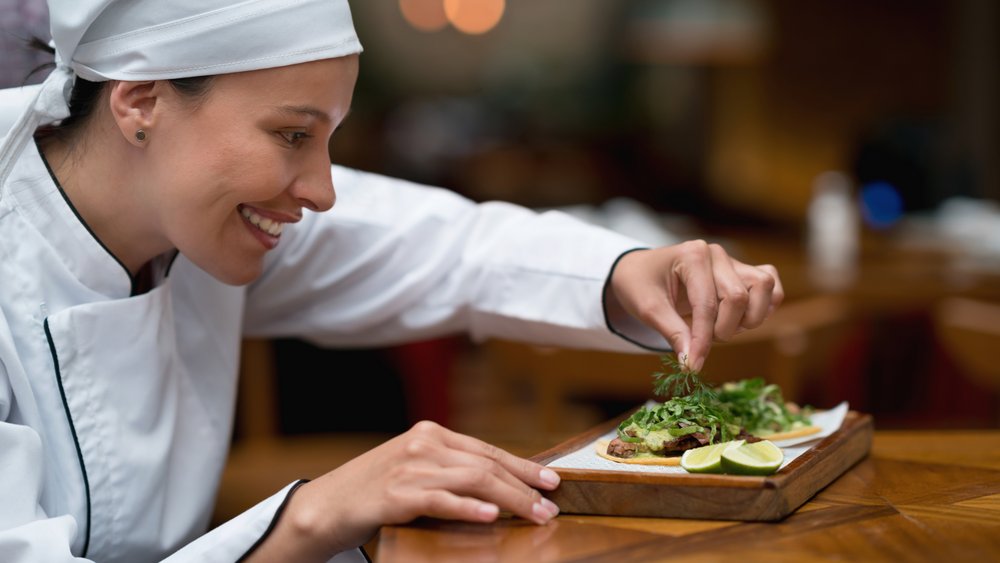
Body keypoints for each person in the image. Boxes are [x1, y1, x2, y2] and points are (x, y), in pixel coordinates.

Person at [0, 1, 783, 561]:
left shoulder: (198, 218)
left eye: (329, 139)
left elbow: (446, 245)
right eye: (293, 134)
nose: (322, 189)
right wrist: (312, 515)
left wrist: (625, 271)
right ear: (141, 101)